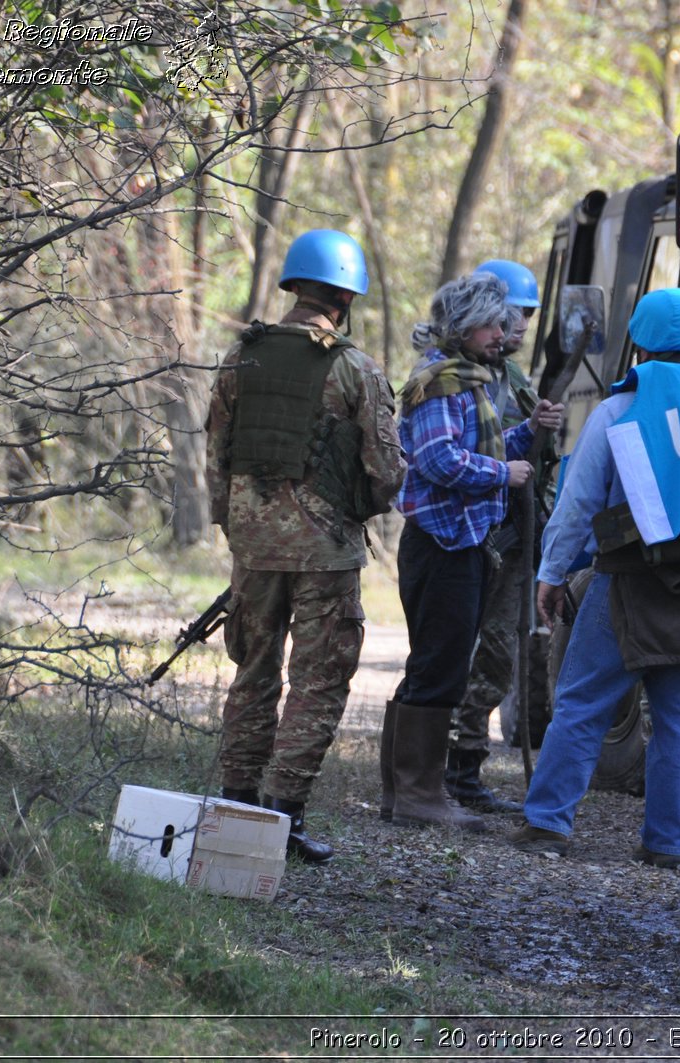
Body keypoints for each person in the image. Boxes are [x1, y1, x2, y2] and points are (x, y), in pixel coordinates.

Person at [510, 288, 680, 870]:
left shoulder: (622, 408)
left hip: (628, 580)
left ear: (641, 345)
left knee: (580, 702)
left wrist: (551, 573)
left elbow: (578, 504)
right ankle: (669, 844)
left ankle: (548, 823)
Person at [205, 229, 405, 864]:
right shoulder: (354, 367)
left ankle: (237, 804)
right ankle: (282, 820)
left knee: (253, 673)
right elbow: (387, 471)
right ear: (346, 295)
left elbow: (216, 457)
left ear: (293, 286)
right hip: (325, 550)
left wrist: (237, 526)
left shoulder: (243, 357)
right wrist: (358, 508)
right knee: (317, 682)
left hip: (254, 548)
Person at [385, 272, 563, 831]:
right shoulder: (443, 382)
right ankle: (418, 796)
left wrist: (528, 430)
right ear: (463, 326)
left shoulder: (472, 380)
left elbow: (473, 445)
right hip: (443, 545)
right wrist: (502, 474)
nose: (502, 331)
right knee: (438, 668)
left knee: (435, 665)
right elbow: (439, 460)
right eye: (491, 322)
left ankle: (407, 792)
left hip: (460, 544)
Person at [443, 259, 546, 814]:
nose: (522, 325)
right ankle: (431, 769)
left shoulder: (516, 381)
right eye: (513, 313)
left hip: (508, 536)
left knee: (499, 655)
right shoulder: (457, 376)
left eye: (528, 313)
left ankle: (465, 768)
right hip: (464, 537)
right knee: (452, 651)